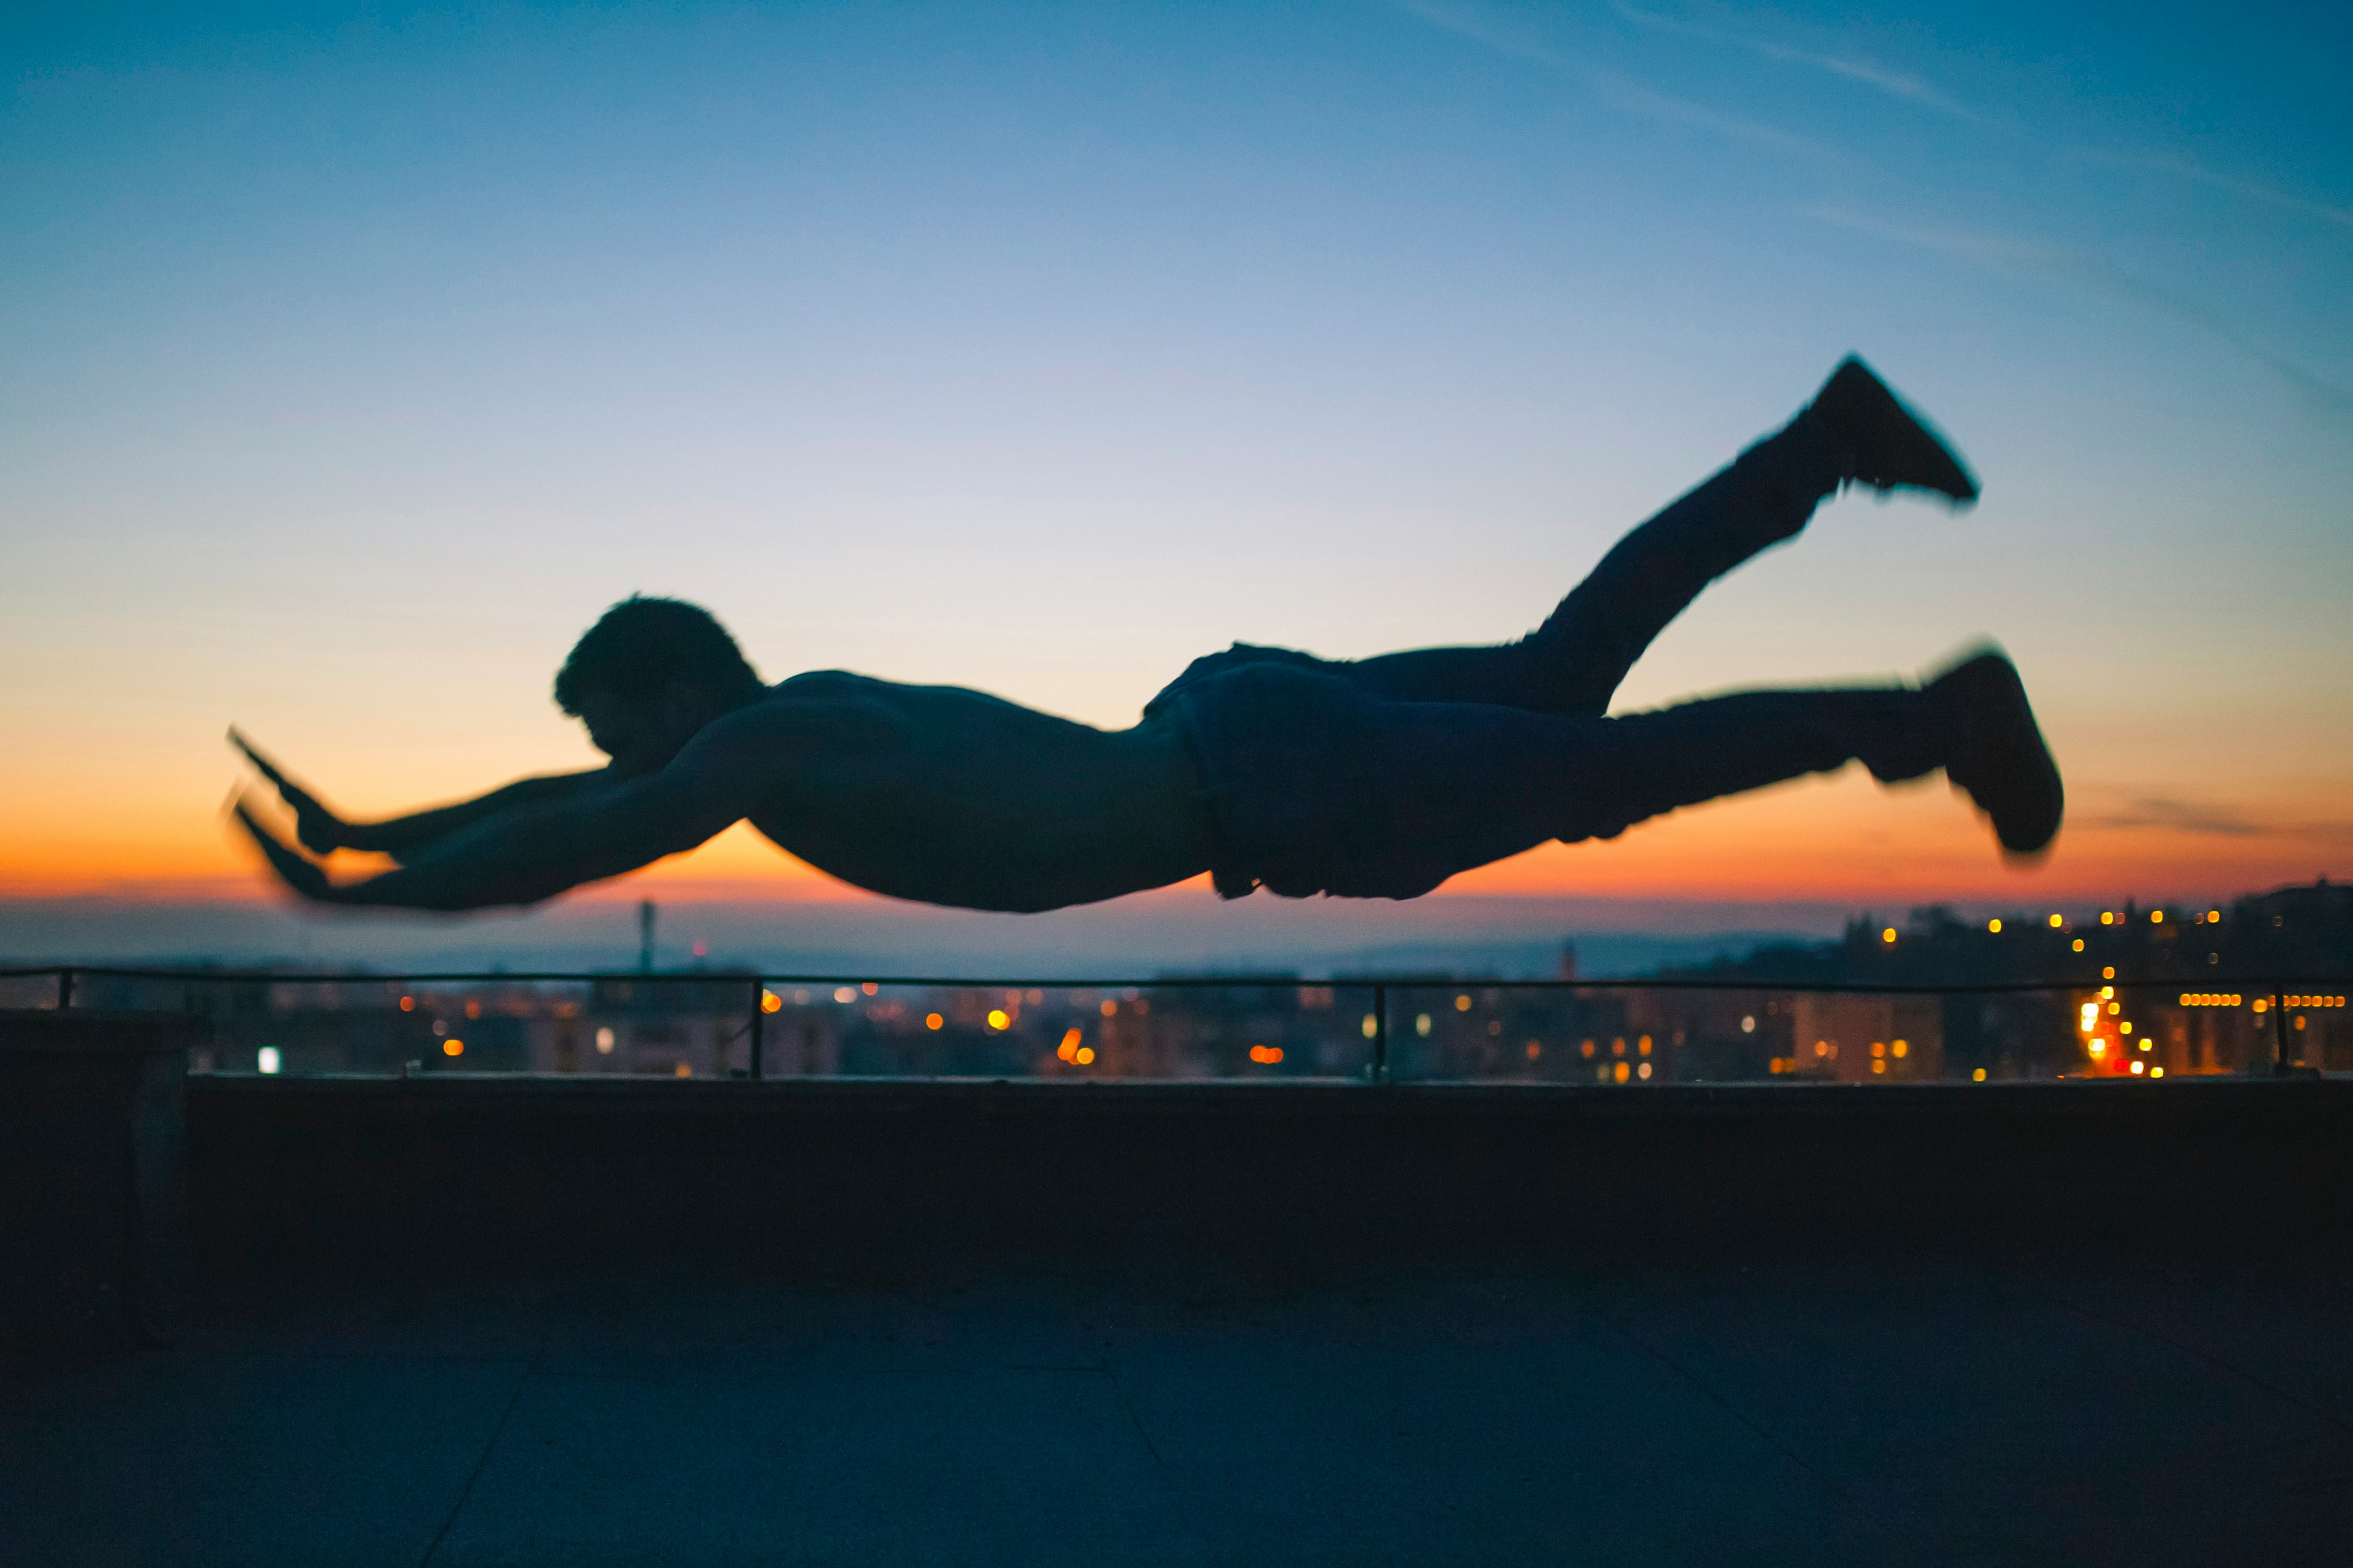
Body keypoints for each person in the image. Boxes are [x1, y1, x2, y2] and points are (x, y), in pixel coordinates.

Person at [232, 355, 2062, 915]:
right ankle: (1816, 449)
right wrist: (376, 827)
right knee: (1565, 676)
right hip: (1234, 729)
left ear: (670, 688)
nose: (625, 761)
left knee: (1600, 769)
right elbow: (549, 796)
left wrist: (354, 897)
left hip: (1260, 781)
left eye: (620, 724)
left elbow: (578, 830)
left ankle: (1931, 714)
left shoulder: (763, 745)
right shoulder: (792, 725)